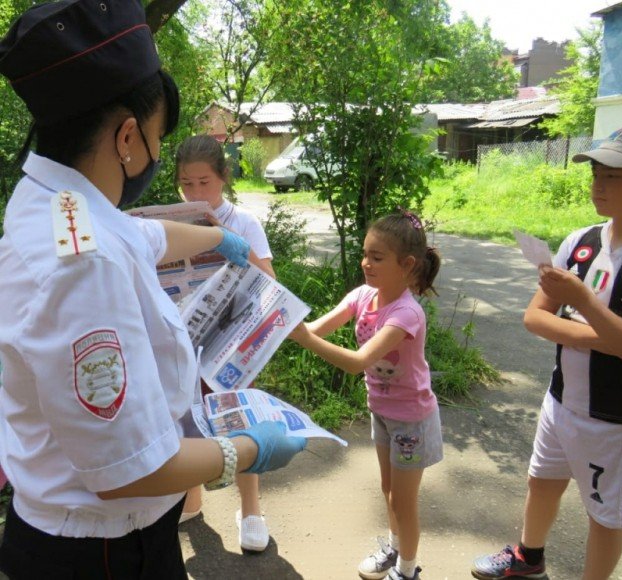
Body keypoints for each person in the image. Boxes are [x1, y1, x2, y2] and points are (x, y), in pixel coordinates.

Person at [0, 2, 305, 578]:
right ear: (126, 136)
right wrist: (249, 448)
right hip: (105, 552)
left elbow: (140, 234)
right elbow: (129, 471)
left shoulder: (57, 203)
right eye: (158, 136)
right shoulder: (84, 265)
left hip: (73, 534)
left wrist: (214, 241)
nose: (158, 154)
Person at [471, 127, 622, 580]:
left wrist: (580, 307)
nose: (598, 183)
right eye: (596, 171)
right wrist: (597, 335)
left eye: (613, 175)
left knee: (606, 515)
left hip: (614, 419)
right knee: (541, 482)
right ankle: (528, 558)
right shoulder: (581, 242)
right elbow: (535, 318)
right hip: (561, 401)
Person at [289, 210, 443, 580]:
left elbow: (358, 362)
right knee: (389, 490)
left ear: (406, 265)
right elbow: (315, 328)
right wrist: (285, 322)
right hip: (382, 412)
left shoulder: (406, 313)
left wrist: (304, 338)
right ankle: (394, 550)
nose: (365, 263)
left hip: (411, 420)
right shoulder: (363, 295)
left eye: (377, 257)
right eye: (365, 254)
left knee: (403, 502)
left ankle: (407, 570)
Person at [175, 134, 275, 551]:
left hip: (233, 342)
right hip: (184, 338)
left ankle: (250, 508)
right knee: (184, 417)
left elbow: (271, 283)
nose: (197, 193)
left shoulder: (244, 222)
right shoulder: (172, 221)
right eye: (187, 184)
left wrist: (221, 238)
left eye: (205, 182)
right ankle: (191, 496)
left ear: (223, 178)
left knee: (238, 420)